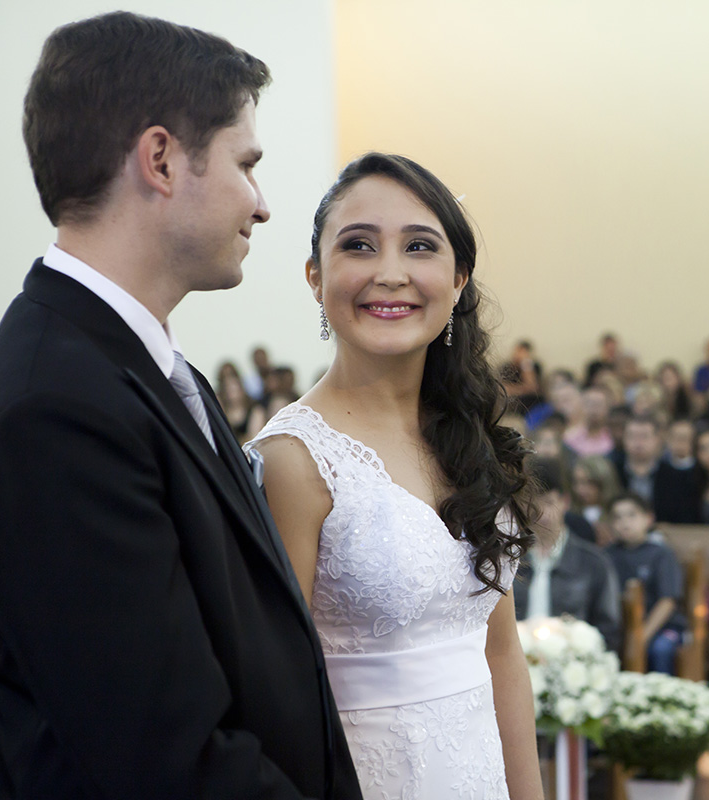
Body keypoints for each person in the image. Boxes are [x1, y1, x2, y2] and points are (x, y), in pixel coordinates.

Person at [0, 12, 360, 798]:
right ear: (160, 159)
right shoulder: (53, 405)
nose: (261, 204)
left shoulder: (135, 365)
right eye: (246, 163)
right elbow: (164, 758)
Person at [246, 152, 543, 799]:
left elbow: (500, 654)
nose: (390, 273)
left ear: (458, 278)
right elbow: (280, 693)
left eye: (419, 247)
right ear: (315, 276)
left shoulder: (470, 438)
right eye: (358, 245)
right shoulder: (292, 460)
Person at [513, 459, 621, 652]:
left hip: (569, 659)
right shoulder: (510, 558)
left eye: (548, 502)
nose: (540, 512)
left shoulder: (592, 562)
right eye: (532, 502)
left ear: (565, 502)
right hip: (518, 655)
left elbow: (608, 629)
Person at [604, 493, 686, 675]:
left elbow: (668, 601)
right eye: (617, 517)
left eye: (632, 515)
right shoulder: (606, 556)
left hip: (661, 627)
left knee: (660, 649)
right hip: (621, 628)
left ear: (649, 518)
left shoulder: (661, 554)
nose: (625, 522)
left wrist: (642, 636)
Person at [611, 414, 698, 523]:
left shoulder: (676, 477)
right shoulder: (612, 471)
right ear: (624, 439)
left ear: (657, 439)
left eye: (644, 436)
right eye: (632, 436)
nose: (638, 443)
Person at [563, 384, 615, 456]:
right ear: (582, 407)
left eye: (598, 405)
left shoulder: (613, 439)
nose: (594, 409)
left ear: (607, 409)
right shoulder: (570, 438)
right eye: (590, 404)